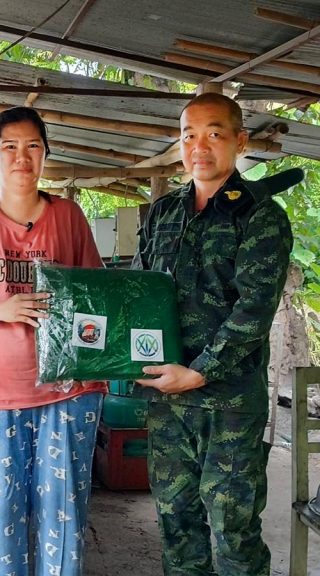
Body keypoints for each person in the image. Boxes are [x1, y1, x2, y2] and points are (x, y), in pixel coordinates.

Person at [0, 106, 106, 576]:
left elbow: (95, 297)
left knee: (64, 520)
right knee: (4, 520)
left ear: (45, 154)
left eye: (33, 146)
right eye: (10, 146)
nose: (21, 157)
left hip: (67, 392)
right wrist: (3, 310)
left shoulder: (68, 217)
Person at [133, 93, 294, 576]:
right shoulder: (163, 213)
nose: (199, 147)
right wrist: (120, 357)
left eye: (214, 134)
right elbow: (138, 292)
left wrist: (199, 373)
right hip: (167, 401)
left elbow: (253, 311)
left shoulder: (260, 216)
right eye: (189, 136)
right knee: (176, 525)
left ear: (240, 141)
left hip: (229, 404)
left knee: (233, 531)